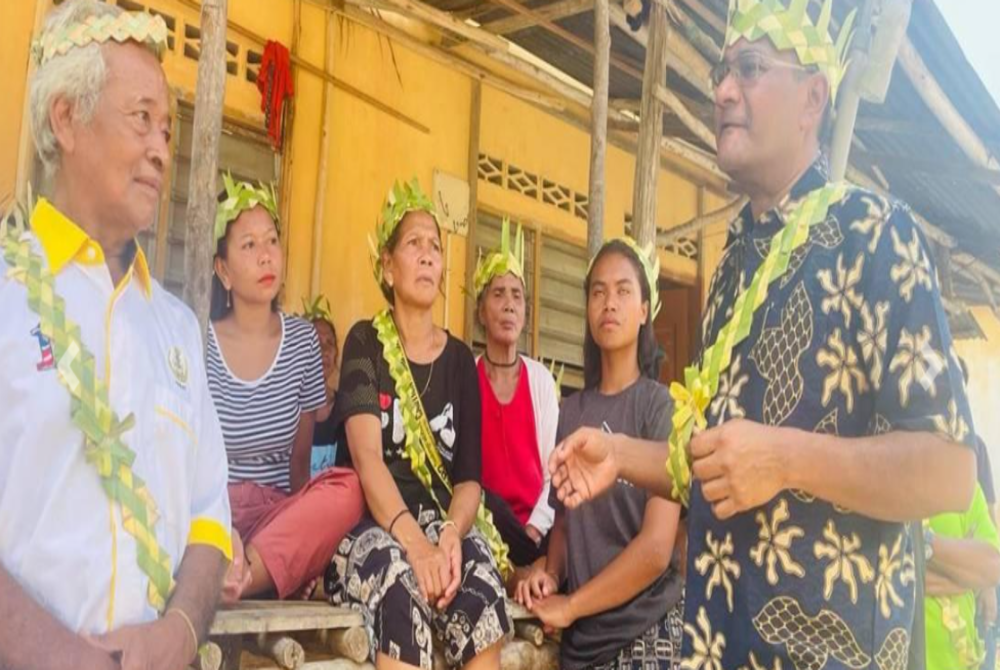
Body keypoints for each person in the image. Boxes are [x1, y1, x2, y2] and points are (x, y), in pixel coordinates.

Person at [548, 1, 978, 668]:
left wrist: (786, 459)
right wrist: (619, 455)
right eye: (724, 70)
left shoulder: (876, 233)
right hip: (723, 643)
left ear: (813, 98)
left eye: (750, 68)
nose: (722, 89)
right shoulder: (731, 269)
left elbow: (951, 471)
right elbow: (723, 463)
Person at [0, 3, 232, 669]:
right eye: (141, 120)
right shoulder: (5, 295)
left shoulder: (177, 330)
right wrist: (58, 656)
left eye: (168, 128)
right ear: (66, 119)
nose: (162, 149)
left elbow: (209, 515)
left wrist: (180, 631)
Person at [325, 179, 512, 670]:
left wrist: (450, 536)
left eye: (435, 246)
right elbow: (367, 460)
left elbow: (470, 479)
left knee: (481, 587)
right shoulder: (365, 343)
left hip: (440, 527)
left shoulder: (458, 362)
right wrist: (417, 547)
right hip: (372, 526)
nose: (429, 256)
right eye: (414, 244)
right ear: (388, 267)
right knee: (398, 587)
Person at [517, 238, 684, 670]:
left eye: (624, 290)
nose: (610, 302)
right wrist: (550, 575)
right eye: (598, 291)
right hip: (583, 642)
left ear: (645, 309)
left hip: (649, 627)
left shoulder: (660, 408)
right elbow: (566, 524)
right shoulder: (571, 411)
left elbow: (656, 550)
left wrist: (571, 605)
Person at [207, 175, 363, 601]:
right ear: (222, 270)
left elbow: (299, 465)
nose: (265, 256)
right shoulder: (197, 339)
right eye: (249, 245)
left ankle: (241, 578)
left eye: (272, 241)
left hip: (275, 517)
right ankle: (253, 572)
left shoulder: (302, 342)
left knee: (348, 487)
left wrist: (302, 539)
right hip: (211, 512)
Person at [473, 218, 560, 569]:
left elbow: (555, 472)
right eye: (498, 294)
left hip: (536, 532)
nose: (509, 304)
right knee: (486, 502)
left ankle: (531, 567)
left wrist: (534, 530)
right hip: (485, 527)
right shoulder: (467, 375)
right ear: (481, 311)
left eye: (517, 296)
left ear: (524, 312)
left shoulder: (538, 379)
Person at [923, 484, 1000, 670]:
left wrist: (922, 542)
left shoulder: (964, 483)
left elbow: (992, 566)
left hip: (960, 660)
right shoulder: (885, 479)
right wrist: (962, 573)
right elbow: (905, 576)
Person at [301, 296, 342, 476]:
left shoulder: (345, 409)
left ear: (336, 355)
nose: (324, 351)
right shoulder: (286, 409)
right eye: (316, 342)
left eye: (330, 344)